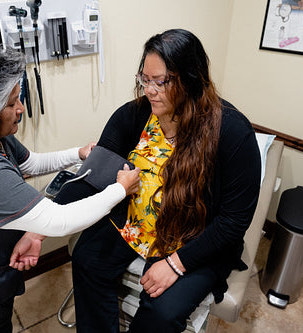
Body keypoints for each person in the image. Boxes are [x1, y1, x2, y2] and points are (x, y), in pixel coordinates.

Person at [0, 41, 140, 333]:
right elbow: (59, 221)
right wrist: (120, 189)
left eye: (18, 98)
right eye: (12, 104)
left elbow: (30, 163)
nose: (21, 109)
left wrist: (77, 153)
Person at [69, 29, 261, 332]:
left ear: (191, 79)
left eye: (160, 82)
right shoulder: (134, 116)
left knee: (162, 312)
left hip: (194, 238)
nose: (149, 90)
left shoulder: (232, 132)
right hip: (135, 224)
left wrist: (176, 264)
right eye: (144, 79)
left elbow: (234, 220)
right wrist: (41, 230)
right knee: (86, 260)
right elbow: (94, 175)